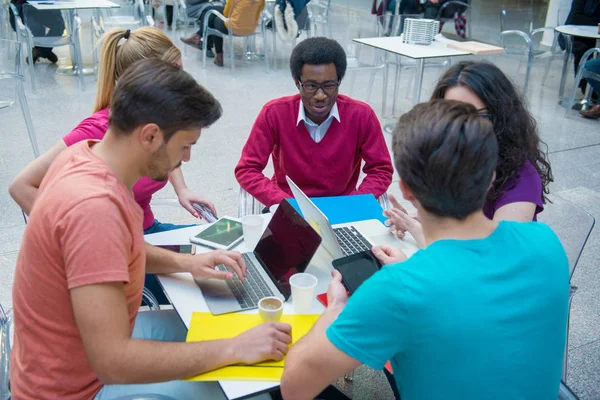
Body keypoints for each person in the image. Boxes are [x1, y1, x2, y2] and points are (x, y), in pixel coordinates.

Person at [10, 58, 292, 400]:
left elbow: (115, 249)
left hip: (74, 357)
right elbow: (113, 363)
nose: (186, 159)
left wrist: (185, 262)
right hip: (77, 388)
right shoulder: (94, 209)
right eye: (185, 146)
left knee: (227, 329)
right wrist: (232, 349)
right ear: (151, 136)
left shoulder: (83, 156)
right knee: (252, 389)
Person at [280, 99, 570, 400]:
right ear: (492, 177)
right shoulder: (546, 243)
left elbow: (293, 388)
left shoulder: (398, 289)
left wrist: (336, 311)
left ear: (404, 188)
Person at [9, 27, 216, 304]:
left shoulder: (150, 129)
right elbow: (20, 185)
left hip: (143, 234)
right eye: (176, 76)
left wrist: (182, 188)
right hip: (122, 245)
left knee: (220, 251)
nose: (185, 84)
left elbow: (166, 151)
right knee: (209, 291)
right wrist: (79, 235)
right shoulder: (97, 136)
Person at [385, 61, 553, 248]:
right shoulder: (453, 157)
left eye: (474, 116)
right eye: (450, 115)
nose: (459, 128)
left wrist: (416, 228)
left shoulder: (522, 179)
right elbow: (460, 218)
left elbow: (490, 261)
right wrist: (421, 214)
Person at [234, 37, 394, 208]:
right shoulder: (274, 114)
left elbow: (381, 170)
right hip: (288, 207)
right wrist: (284, 203)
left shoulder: (362, 116)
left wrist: (353, 203)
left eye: (329, 85)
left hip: (343, 207)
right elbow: (247, 170)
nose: (320, 96)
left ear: (339, 82)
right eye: (311, 86)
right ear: (297, 83)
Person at [180, 0, 266, 67]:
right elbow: (261, 9)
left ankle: (219, 56)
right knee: (212, 10)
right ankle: (198, 37)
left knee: (212, 18)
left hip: (234, 27)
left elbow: (226, 13)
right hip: (251, 28)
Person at [563, 0, 600, 86]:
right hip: (574, 36)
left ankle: (592, 89)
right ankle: (584, 86)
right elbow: (576, 18)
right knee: (582, 48)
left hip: (595, 38)